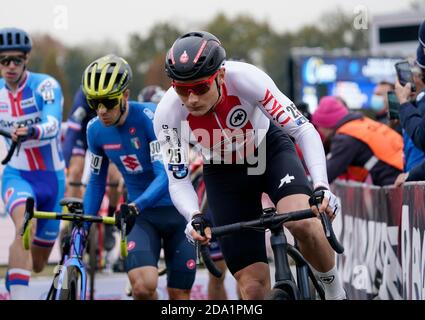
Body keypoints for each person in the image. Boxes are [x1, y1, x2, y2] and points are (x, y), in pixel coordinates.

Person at [154, 31, 346, 300]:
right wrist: (193, 216)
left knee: (301, 222)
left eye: (200, 88)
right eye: (182, 89)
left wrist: (322, 186)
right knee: (253, 288)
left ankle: (335, 291)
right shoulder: (167, 114)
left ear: (220, 76)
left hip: (268, 151)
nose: (192, 99)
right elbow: (178, 177)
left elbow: (303, 130)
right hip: (223, 171)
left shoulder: (247, 79)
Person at [82, 54, 196, 300]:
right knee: (143, 288)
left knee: (179, 295)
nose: (102, 110)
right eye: (95, 103)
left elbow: (165, 174)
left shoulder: (150, 118)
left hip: (177, 212)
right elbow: (96, 181)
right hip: (142, 219)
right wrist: (85, 223)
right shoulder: (94, 130)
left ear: (124, 95)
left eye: (108, 102)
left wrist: (135, 206)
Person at [0, 28, 65, 299]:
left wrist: (33, 131)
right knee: (24, 226)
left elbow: (53, 122)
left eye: (16, 60)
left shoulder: (45, 86)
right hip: (18, 175)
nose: (10, 66)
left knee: (37, 264)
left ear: (26, 58)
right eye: (4, 61)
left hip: (52, 179)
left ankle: (14, 276)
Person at [62, 86, 123, 253]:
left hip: (107, 133)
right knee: (75, 171)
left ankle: (110, 219)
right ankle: (76, 218)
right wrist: (66, 165)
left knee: (114, 176)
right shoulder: (82, 97)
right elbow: (72, 133)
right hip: (82, 135)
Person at [311, 96, 403, 186]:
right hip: (403, 170)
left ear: (325, 126)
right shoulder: (362, 123)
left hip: (394, 179)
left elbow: (327, 175)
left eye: (318, 127)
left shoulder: (346, 137)